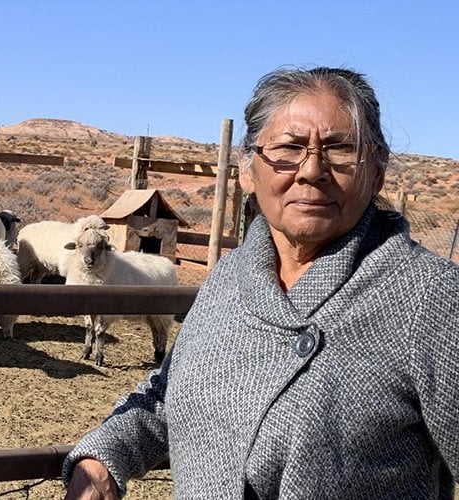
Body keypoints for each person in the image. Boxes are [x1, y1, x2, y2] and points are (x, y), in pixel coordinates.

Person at [62, 66, 459, 499]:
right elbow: (169, 396)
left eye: (340, 150)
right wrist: (104, 456)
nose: (312, 170)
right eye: (289, 148)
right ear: (248, 171)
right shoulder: (230, 279)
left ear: (377, 170)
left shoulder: (430, 297)